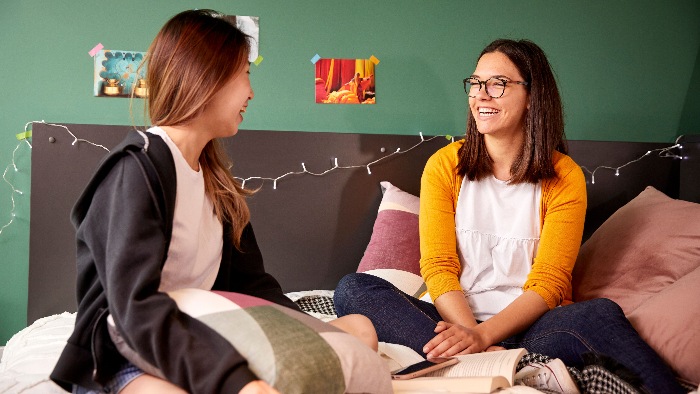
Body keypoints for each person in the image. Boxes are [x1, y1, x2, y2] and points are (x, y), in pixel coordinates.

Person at [50, 9, 377, 394]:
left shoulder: (215, 183)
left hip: (202, 331)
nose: (252, 93)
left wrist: (299, 337)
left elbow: (253, 287)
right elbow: (134, 308)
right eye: (246, 74)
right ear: (208, 76)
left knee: (359, 330)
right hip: (130, 345)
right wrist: (235, 381)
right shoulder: (137, 170)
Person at [334, 39, 684, 394]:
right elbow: (438, 267)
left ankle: (467, 365)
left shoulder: (565, 177)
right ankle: (493, 364)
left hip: (533, 325)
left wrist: (482, 336)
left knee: (600, 314)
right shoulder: (444, 166)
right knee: (355, 289)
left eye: (497, 84)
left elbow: (549, 282)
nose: (481, 95)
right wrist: (471, 334)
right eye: (475, 83)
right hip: (450, 320)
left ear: (532, 95)